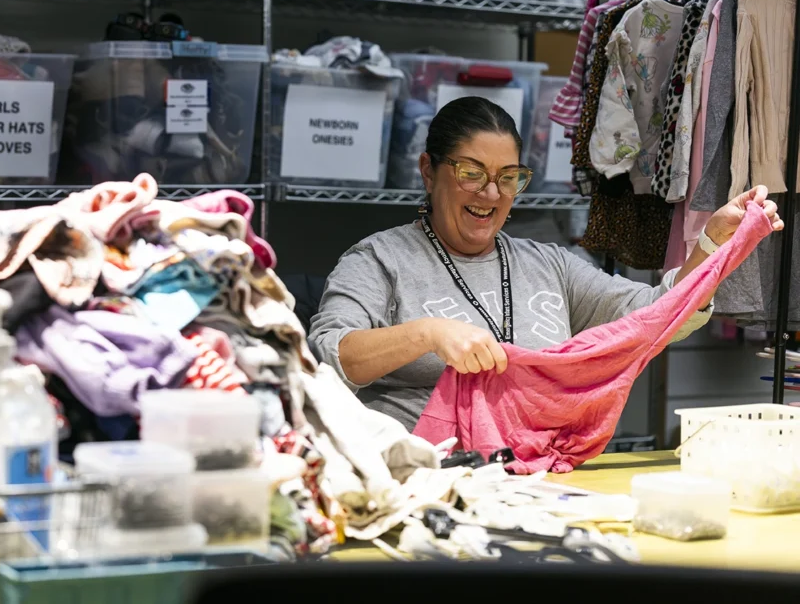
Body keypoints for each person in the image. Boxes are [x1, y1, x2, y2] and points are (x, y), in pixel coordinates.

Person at [308, 97, 784, 432]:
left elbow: (656, 315)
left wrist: (712, 244)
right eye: (471, 173)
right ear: (429, 171)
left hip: (545, 473)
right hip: (428, 481)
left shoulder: (549, 265)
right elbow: (327, 357)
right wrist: (428, 334)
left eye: (508, 177)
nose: (491, 194)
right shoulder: (379, 260)